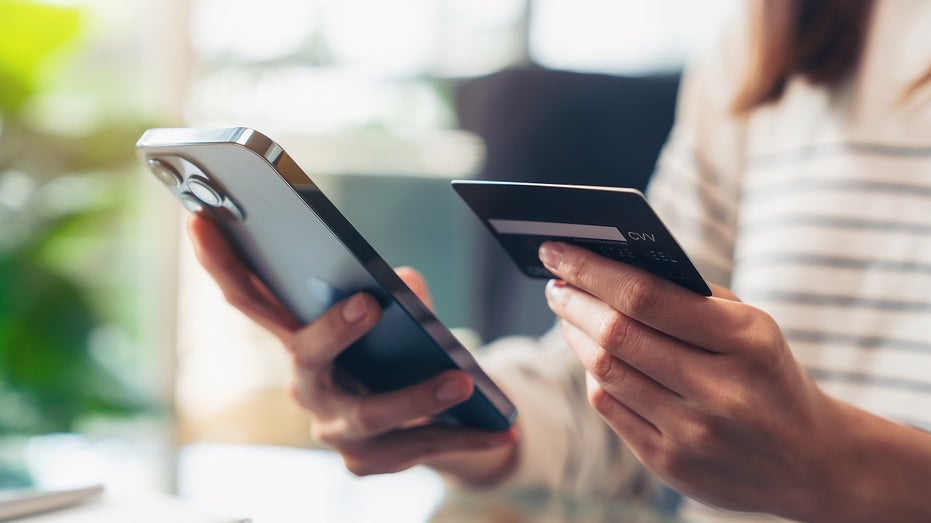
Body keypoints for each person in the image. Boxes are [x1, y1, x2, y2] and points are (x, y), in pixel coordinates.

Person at [186, 0, 931, 521]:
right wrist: (449, 405)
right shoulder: (777, 30)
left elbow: (782, 452)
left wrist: (832, 465)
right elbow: (627, 423)